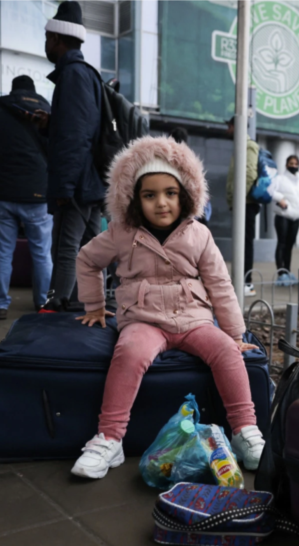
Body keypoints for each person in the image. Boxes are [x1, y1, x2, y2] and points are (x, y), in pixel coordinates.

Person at [71, 136, 264, 479]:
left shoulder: (199, 234)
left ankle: (246, 432)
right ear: (134, 199)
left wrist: (234, 333)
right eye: (149, 195)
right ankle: (109, 439)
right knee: (129, 354)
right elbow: (87, 260)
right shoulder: (121, 232)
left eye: (170, 193)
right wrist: (96, 305)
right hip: (144, 319)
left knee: (226, 352)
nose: (161, 203)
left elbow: (220, 283)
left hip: (194, 319)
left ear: (185, 194)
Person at [36, 1, 105, 312]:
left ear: (57, 39)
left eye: (47, 38)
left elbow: (77, 136)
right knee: (91, 250)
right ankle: (90, 305)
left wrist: (64, 187)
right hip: (89, 181)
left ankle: (55, 307)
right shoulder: (85, 74)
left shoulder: (74, 75)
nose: (46, 44)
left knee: (66, 248)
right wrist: (51, 125)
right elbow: (79, 128)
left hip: (77, 182)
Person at [0, 75, 53, 319]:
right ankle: (43, 303)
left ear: (12, 90)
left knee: (3, 251)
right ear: (34, 91)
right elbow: (57, 147)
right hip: (38, 193)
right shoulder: (46, 112)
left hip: (2, 192)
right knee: (41, 252)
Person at [224, 116, 260, 297]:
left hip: (246, 204)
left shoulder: (249, 146)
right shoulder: (239, 146)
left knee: (246, 243)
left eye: (229, 126)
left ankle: (247, 282)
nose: (227, 130)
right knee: (241, 243)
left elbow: (249, 174)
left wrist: (238, 198)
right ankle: (239, 280)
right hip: (240, 204)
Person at [270, 154, 299, 285]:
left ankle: (287, 271)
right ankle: (281, 273)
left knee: (289, 246)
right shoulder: (279, 179)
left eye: (296, 164)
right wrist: (280, 200)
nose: (294, 166)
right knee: (282, 243)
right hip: (283, 216)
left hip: (296, 217)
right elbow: (271, 191)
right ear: (286, 165)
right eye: (291, 163)